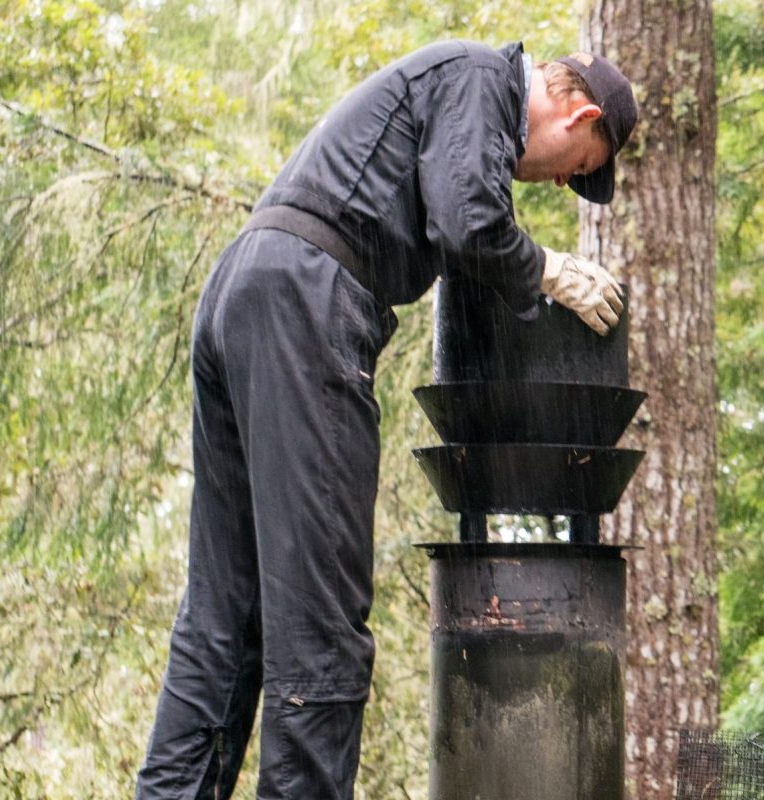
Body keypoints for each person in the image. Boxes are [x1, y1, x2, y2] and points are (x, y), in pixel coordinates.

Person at [133, 40, 638, 799]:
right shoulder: (482, 80)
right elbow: (469, 221)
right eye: (579, 164)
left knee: (226, 616)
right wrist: (549, 270)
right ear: (579, 111)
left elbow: (453, 213)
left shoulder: (453, 97)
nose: (564, 180)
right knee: (322, 624)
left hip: (246, 289)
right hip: (307, 302)